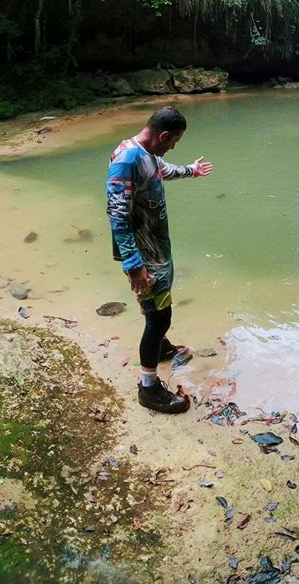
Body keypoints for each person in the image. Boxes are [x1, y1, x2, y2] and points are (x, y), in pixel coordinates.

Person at [106, 106, 213, 414]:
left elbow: (162, 169)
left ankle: (162, 348)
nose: (173, 147)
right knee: (158, 317)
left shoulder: (146, 153)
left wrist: (191, 171)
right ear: (163, 135)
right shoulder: (126, 160)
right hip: (144, 255)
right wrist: (132, 264)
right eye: (174, 141)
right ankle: (149, 389)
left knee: (157, 307)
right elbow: (117, 214)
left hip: (155, 249)